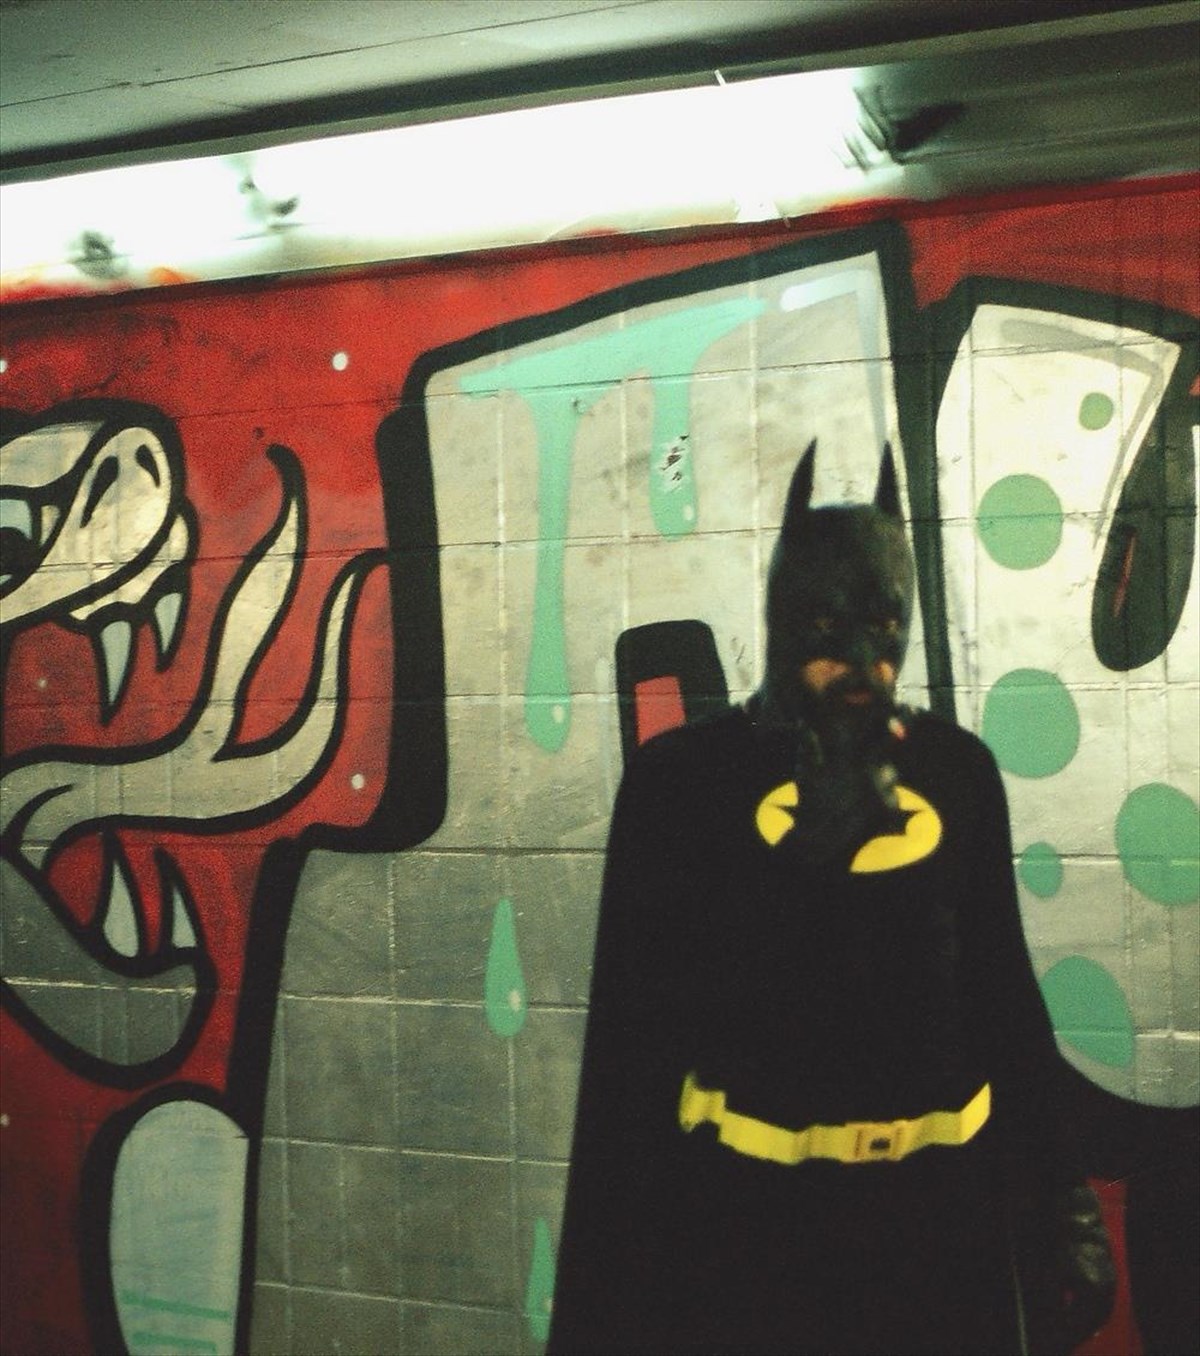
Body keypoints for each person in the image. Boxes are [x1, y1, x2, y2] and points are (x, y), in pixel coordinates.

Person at [548, 443, 1114, 1356]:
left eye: (884, 627)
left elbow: (1002, 998)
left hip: (939, 1239)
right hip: (753, 1238)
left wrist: (1063, 1198)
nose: (862, 660)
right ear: (782, 618)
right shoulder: (683, 784)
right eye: (826, 625)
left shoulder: (955, 771)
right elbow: (634, 1052)